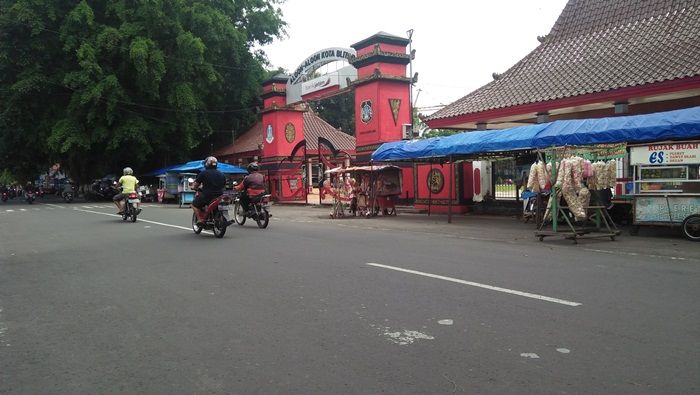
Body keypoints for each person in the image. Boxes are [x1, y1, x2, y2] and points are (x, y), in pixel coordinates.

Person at [191, 156, 226, 224]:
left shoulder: (203, 173)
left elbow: (196, 185)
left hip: (207, 196)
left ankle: (200, 219)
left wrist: (194, 188)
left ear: (206, 164)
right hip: (219, 196)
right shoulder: (222, 174)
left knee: (194, 204)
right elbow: (224, 185)